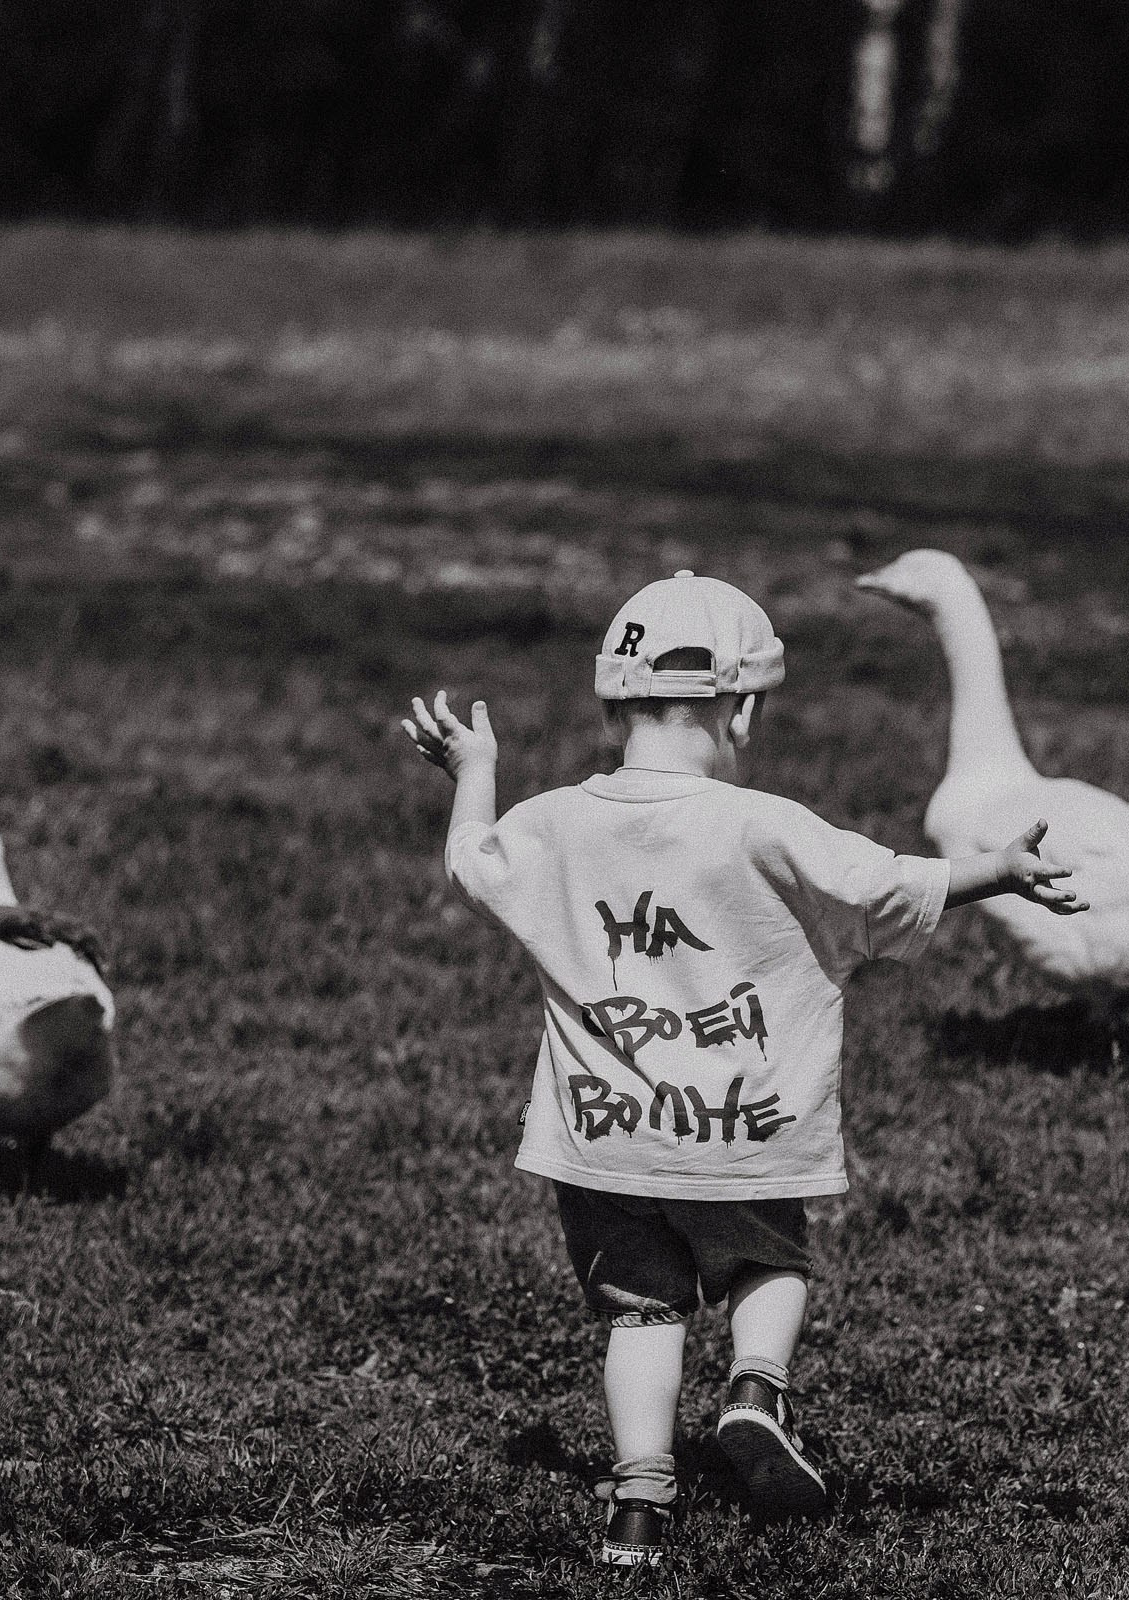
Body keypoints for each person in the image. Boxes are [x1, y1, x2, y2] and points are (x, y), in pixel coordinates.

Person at [405, 570, 1084, 1567]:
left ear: (610, 703)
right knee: (773, 1261)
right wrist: (998, 871)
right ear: (744, 706)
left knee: (641, 1313)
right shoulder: (770, 827)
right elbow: (889, 886)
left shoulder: (556, 822)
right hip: (742, 1132)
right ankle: (757, 1387)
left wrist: (475, 767)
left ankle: (638, 1507)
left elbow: (474, 860)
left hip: (606, 1142)